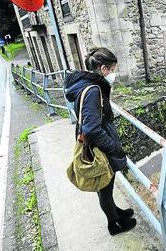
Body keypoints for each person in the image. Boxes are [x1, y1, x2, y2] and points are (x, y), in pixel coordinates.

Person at [64, 47, 137, 235]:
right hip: (99, 146)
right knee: (105, 186)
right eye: (112, 69)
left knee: (106, 184)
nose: (113, 74)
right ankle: (114, 225)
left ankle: (116, 212)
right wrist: (113, 147)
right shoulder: (93, 91)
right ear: (103, 68)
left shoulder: (85, 84)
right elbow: (91, 128)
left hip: (95, 143)